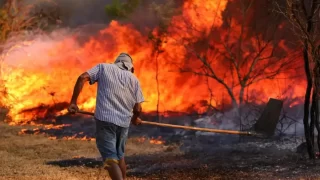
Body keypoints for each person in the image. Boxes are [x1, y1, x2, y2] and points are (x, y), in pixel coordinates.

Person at [67, 53, 144, 180]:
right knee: (120, 157)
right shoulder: (134, 79)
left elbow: (82, 77)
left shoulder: (103, 68)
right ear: (130, 67)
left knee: (110, 158)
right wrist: (135, 118)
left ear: (117, 62)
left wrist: (74, 102)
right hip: (124, 123)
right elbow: (138, 108)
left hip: (105, 121)